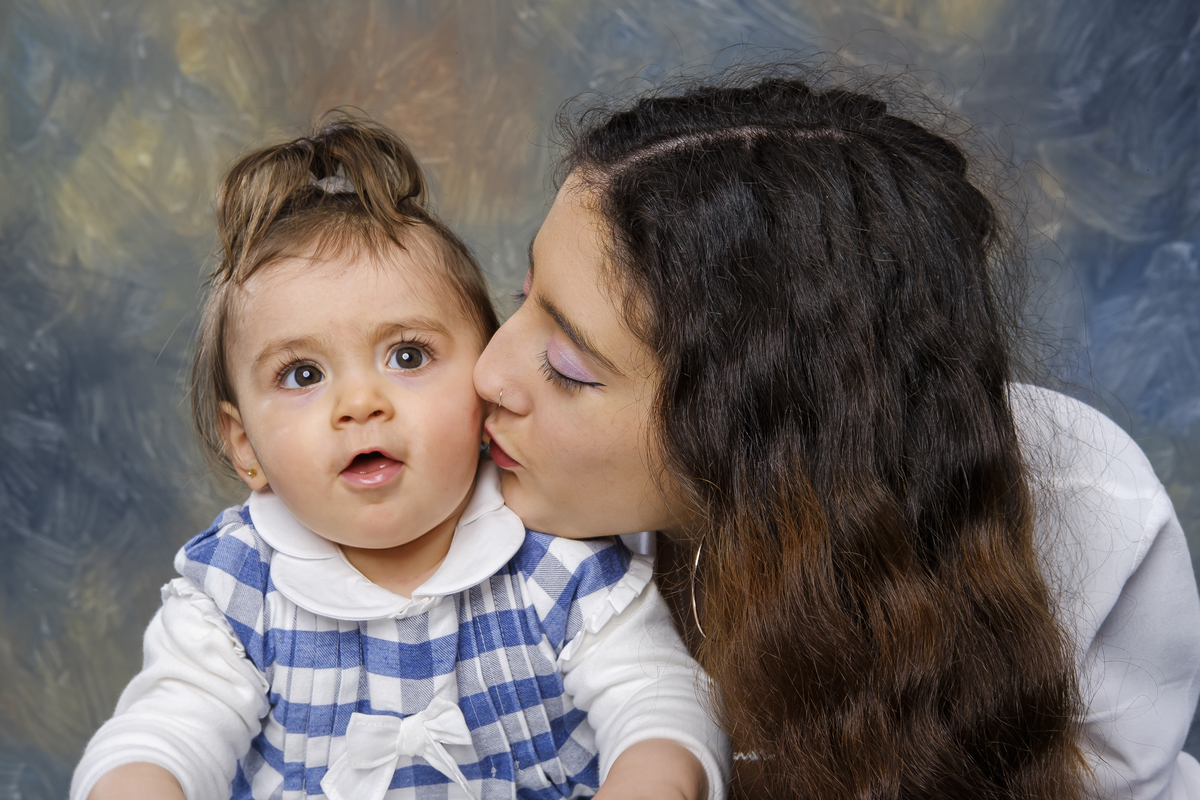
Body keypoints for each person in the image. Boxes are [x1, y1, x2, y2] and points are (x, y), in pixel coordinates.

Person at [473, 70, 1200, 799]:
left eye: (568, 368)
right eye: (521, 296)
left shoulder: (1089, 507)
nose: (486, 371)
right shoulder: (460, 485)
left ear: (756, 423)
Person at [70, 115, 727, 800]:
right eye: (302, 374)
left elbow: (660, 701)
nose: (360, 403)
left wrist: (653, 775)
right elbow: (163, 734)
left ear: (484, 381)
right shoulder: (238, 593)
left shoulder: (554, 554)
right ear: (245, 446)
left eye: (407, 356)